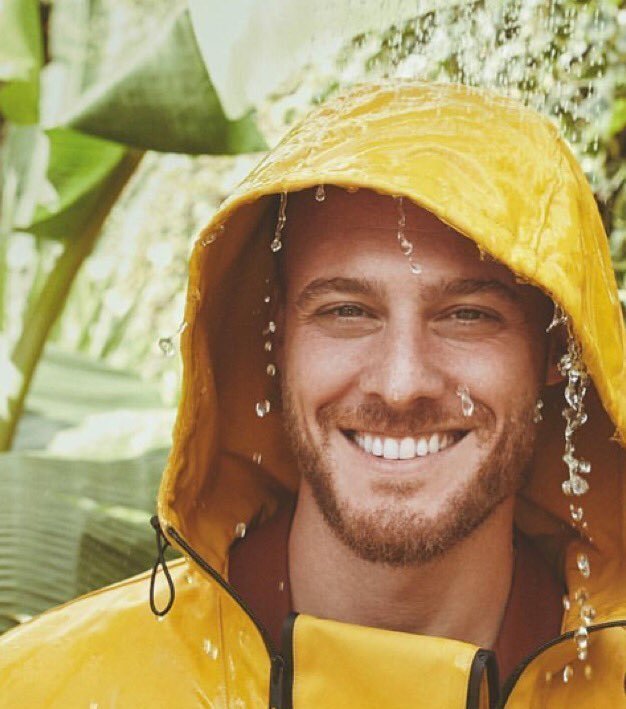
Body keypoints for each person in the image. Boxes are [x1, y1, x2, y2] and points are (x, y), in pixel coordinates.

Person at [0, 81, 624, 708]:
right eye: (347, 311)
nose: (400, 384)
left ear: (559, 348)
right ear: (274, 339)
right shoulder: (41, 688)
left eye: (468, 316)